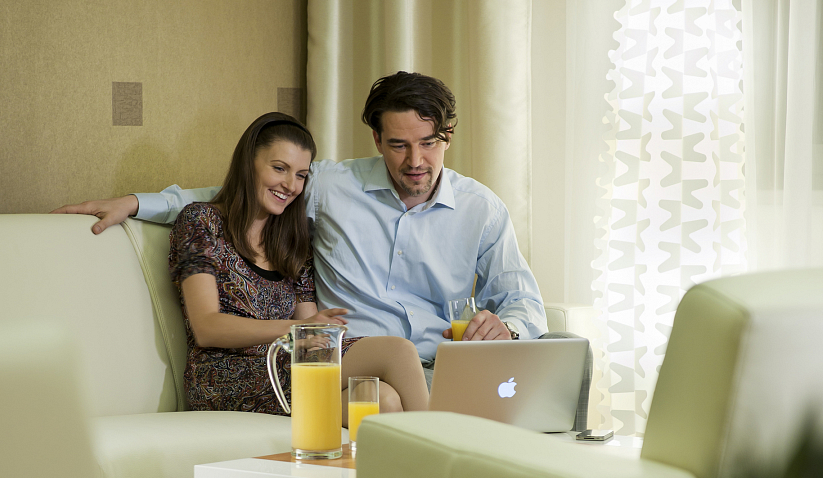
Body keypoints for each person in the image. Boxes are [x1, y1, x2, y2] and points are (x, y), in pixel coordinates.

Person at [55, 72, 548, 372]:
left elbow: (524, 302)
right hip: (352, 361)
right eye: (399, 145)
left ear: (447, 137)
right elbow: (241, 194)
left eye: (428, 143)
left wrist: (506, 328)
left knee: (555, 368)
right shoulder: (331, 187)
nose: (415, 160)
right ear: (377, 141)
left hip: (447, 366)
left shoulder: (482, 209)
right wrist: (135, 203)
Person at [164, 111, 428, 420]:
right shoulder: (201, 221)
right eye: (279, 168)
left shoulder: (291, 242)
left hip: (289, 368)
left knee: (381, 399)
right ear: (248, 163)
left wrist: (318, 330)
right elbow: (206, 327)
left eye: (301, 175)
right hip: (224, 378)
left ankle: (398, 451)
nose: (290, 185)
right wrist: (297, 329)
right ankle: (441, 446)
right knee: (398, 351)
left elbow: (309, 329)